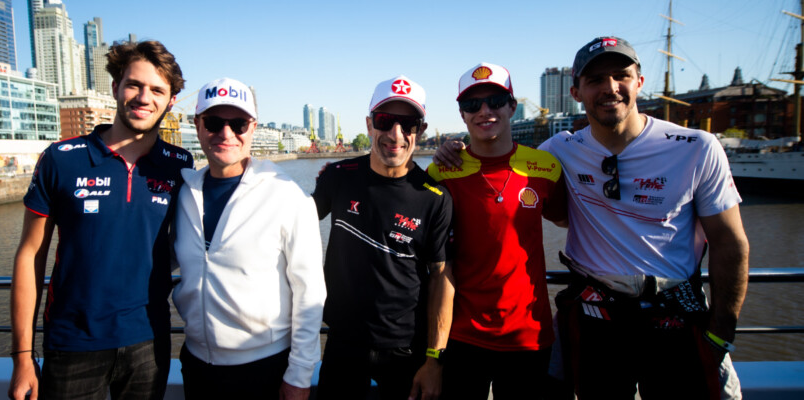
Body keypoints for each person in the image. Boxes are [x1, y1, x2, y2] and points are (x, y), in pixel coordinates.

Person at [435, 37, 749, 400]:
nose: (610, 88)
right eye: (596, 80)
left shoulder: (697, 147)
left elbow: (730, 243)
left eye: (621, 76)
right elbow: (546, 204)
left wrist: (721, 333)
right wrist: (452, 147)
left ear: (639, 82)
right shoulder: (558, 152)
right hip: (596, 319)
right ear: (577, 92)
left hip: (673, 317)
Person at [9, 40, 192, 400]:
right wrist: (22, 357)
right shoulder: (62, 159)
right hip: (73, 342)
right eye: (134, 85)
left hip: (149, 341)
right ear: (116, 88)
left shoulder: (180, 165)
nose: (144, 97)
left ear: (170, 102)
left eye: (157, 90)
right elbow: (30, 255)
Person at [171, 77, 326, 400]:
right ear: (198, 125)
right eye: (214, 122)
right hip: (196, 364)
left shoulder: (287, 196)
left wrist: (299, 375)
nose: (226, 134)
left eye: (238, 123)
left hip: (264, 368)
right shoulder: (184, 193)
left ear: (253, 127)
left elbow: (309, 291)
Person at [425, 63, 565, 399]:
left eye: (495, 101)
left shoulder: (545, 167)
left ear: (512, 106)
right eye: (473, 105)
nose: (484, 111)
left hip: (528, 336)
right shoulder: (442, 172)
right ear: (462, 115)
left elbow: (566, 220)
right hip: (462, 336)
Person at [312, 76, 454, 400]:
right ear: (369, 124)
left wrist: (435, 359)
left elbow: (441, 279)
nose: (396, 135)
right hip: (343, 343)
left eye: (409, 124)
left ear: (422, 129)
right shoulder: (338, 177)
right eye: (386, 121)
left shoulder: (434, 197)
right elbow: (291, 227)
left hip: (406, 350)